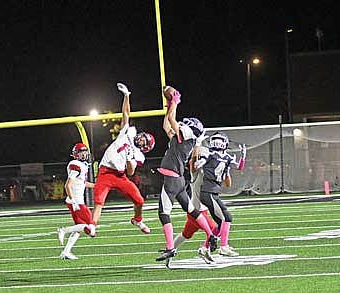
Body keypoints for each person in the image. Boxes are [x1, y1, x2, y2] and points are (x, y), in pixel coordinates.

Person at [155, 86, 217, 262]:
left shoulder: (186, 136)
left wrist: (175, 102)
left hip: (172, 178)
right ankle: (211, 235)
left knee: (163, 213)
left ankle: (170, 248)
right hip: (180, 179)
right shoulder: (182, 139)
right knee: (192, 210)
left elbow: (172, 120)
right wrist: (169, 104)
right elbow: (167, 124)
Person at [91, 83, 155, 233]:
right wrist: (127, 95)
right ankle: (92, 226)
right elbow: (126, 114)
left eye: (144, 142)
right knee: (99, 201)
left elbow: (131, 172)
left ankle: (137, 220)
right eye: (143, 137)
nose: (141, 139)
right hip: (105, 172)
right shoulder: (128, 132)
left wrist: (129, 157)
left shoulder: (139, 155)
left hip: (120, 176)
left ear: (145, 148)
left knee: (139, 200)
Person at [193, 131, 246, 257]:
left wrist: (243, 156)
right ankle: (223, 247)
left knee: (221, 223)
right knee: (227, 217)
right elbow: (198, 165)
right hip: (208, 192)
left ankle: (204, 247)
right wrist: (198, 159)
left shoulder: (226, 157)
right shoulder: (209, 154)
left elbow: (239, 167)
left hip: (213, 192)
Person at [57, 143, 97, 260]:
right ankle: (63, 230)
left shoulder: (81, 165)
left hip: (76, 201)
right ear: (76, 154)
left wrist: (96, 186)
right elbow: (67, 185)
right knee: (91, 229)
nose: (84, 154)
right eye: (81, 152)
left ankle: (66, 252)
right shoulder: (76, 165)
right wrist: (73, 201)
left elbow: (82, 183)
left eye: (85, 151)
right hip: (76, 202)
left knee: (79, 228)